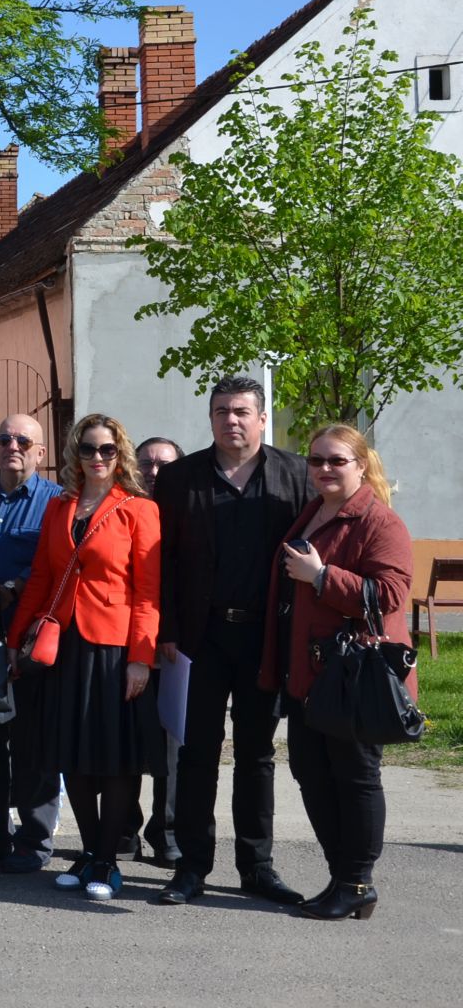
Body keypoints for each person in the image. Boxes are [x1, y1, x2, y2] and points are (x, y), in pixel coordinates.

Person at [153, 375, 311, 909]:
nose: (231, 420)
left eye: (242, 411)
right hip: (200, 639)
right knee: (196, 753)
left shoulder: (295, 476)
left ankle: (257, 867)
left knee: (256, 755)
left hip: (266, 638)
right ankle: (191, 866)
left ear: (263, 418)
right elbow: (164, 562)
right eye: (221, 411)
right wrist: (168, 630)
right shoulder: (179, 478)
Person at [262, 425, 414, 921]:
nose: (324, 469)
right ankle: (341, 876)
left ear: (361, 465)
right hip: (310, 673)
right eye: (316, 461)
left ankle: (358, 881)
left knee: (355, 777)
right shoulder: (313, 513)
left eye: (336, 461)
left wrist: (323, 577)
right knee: (311, 773)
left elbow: (389, 594)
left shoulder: (378, 521)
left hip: (352, 676)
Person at [8, 414, 162, 902]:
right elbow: (40, 578)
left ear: (121, 456)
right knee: (71, 754)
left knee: (115, 758)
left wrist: (141, 657)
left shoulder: (139, 510)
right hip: (65, 646)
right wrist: (16, 640)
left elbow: (148, 592)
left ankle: (108, 859)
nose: (97, 458)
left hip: (115, 649)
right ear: (75, 454)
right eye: (88, 450)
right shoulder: (60, 508)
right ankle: (91, 849)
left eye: (108, 450)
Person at [0, 413, 64, 872]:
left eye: (24, 441)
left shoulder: (56, 503)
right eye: (6, 438)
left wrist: (13, 587)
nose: (13, 446)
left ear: (40, 453)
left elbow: (62, 564)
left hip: (31, 640)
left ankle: (34, 840)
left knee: (32, 745)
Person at [129, 433, 186, 867]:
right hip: (124, 643)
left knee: (170, 744)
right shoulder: (124, 511)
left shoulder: (188, 516)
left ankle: (165, 831)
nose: (154, 472)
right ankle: (123, 828)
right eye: (146, 463)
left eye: (164, 465)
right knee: (126, 740)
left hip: (172, 645)